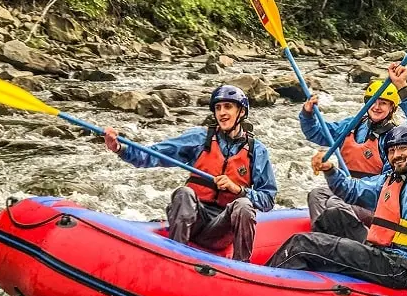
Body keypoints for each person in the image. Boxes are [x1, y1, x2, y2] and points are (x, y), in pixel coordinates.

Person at [266, 63, 407, 290]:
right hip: (381, 254)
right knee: (329, 216)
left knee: (302, 243)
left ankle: (258, 291)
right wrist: (330, 170)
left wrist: (403, 89)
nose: (396, 155)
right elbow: (351, 190)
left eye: (404, 149)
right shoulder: (390, 180)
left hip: (401, 266)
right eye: (392, 151)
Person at [104, 85, 277, 262]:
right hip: (194, 219)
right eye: (218, 108)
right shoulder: (200, 139)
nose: (222, 112)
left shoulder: (257, 151)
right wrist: (119, 148)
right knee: (184, 193)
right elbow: (155, 154)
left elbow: (268, 199)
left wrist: (239, 190)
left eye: (228, 106)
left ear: (241, 112)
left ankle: (242, 268)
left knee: (243, 206)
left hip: (221, 229)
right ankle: (174, 258)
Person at [301, 81, 400, 241]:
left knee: (335, 202)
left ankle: (365, 244)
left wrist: (354, 189)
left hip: (373, 201)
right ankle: (320, 240)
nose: (376, 107)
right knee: (316, 195)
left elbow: (390, 183)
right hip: (345, 190)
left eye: (382, 103)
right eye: (373, 101)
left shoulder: (394, 139)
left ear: (392, 108)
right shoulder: (352, 125)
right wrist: (308, 114)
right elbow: (316, 133)